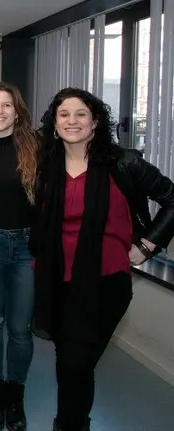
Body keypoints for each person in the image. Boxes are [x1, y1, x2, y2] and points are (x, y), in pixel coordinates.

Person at [29, 88, 174, 431]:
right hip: (56, 279)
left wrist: (147, 246)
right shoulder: (45, 167)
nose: (72, 121)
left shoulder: (123, 162)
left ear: (95, 122)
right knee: (72, 364)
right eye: (64, 114)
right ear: (54, 123)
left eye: (81, 114)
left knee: (75, 363)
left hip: (105, 282)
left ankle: (69, 424)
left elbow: (171, 198)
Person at [0, 82, 39, 431]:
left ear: (17, 111)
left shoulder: (38, 147)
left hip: (29, 247)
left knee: (20, 329)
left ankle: (16, 396)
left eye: (7, 106)